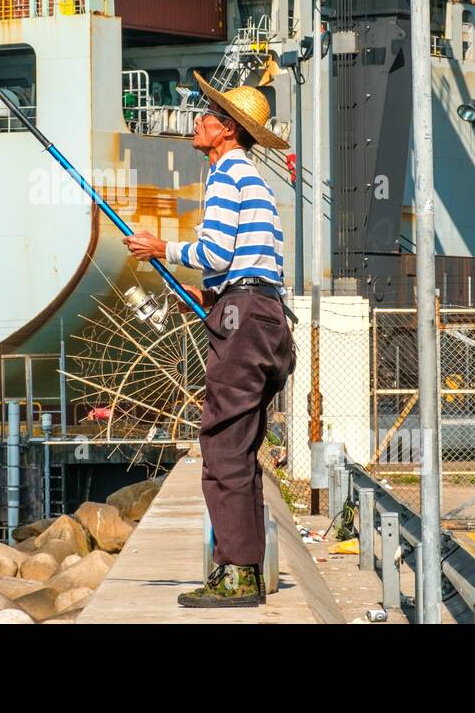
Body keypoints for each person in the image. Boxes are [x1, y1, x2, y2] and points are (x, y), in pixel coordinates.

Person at [124, 74, 296, 608]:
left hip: (243, 325)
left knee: (221, 446)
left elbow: (217, 251)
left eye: (206, 116)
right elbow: (255, 266)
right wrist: (210, 296)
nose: (197, 120)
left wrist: (163, 249)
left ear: (226, 133)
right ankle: (242, 566)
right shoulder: (259, 186)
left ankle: (237, 573)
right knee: (240, 449)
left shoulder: (226, 175)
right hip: (268, 321)